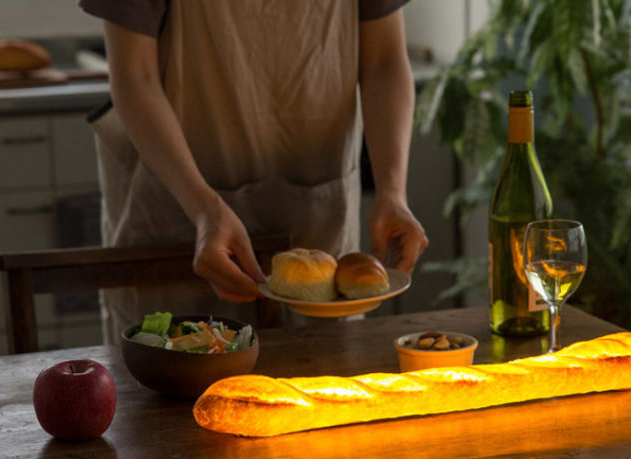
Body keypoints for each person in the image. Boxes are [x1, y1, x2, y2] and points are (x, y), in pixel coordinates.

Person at [79, 0, 429, 343]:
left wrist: (392, 191)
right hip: (178, 214)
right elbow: (135, 77)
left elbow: (384, 61)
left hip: (315, 220)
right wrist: (203, 206)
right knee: (171, 376)